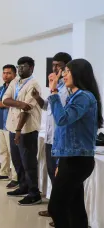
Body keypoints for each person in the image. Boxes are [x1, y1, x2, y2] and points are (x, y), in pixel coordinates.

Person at [47, 58, 101, 228]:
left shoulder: (84, 97)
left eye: (67, 71)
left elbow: (62, 119)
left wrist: (54, 92)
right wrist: (60, 162)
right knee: (74, 208)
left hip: (77, 160)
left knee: (56, 207)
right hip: (71, 157)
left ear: (78, 74)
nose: (63, 75)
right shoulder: (75, 96)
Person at [31, 52, 72, 220]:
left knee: (60, 178)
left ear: (67, 67)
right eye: (53, 65)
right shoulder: (57, 87)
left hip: (60, 139)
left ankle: (62, 214)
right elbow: (48, 107)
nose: (55, 68)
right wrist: (37, 98)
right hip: (49, 137)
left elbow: (63, 115)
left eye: (59, 66)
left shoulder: (69, 89)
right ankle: (55, 209)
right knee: (51, 173)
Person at [2, 56, 42, 206]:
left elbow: (28, 109)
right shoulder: (14, 82)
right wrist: (19, 103)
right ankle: (23, 186)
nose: (19, 69)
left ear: (31, 68)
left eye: (23, 67)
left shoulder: (34, 84)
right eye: (18, 67)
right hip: (12, 127)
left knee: (29, 163)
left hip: (26, 130)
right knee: (17, 161)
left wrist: (19, 130)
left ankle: (34, 193)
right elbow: (6, 100)